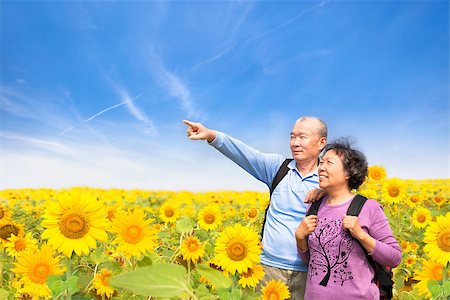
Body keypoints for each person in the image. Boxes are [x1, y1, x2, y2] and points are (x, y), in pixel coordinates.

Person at [183, 117, 327, 299]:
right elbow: (246, 154)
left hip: (312, 272)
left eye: (302, 137)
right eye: (292, 137)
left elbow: (350, 203)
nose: (295, 143)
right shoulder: (278, 168)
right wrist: (212, 136)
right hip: (268, 268)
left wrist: (328, 191)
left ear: (322, 142)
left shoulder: (329, 177)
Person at [295, 138, 402, 299]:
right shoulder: (314, 207)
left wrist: (361, 235)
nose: (321, 168)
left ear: (348, 172)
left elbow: (394, 257)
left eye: (328, 163)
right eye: (321, 162)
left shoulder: (368, 208)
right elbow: (313, 261)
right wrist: (300, 238)